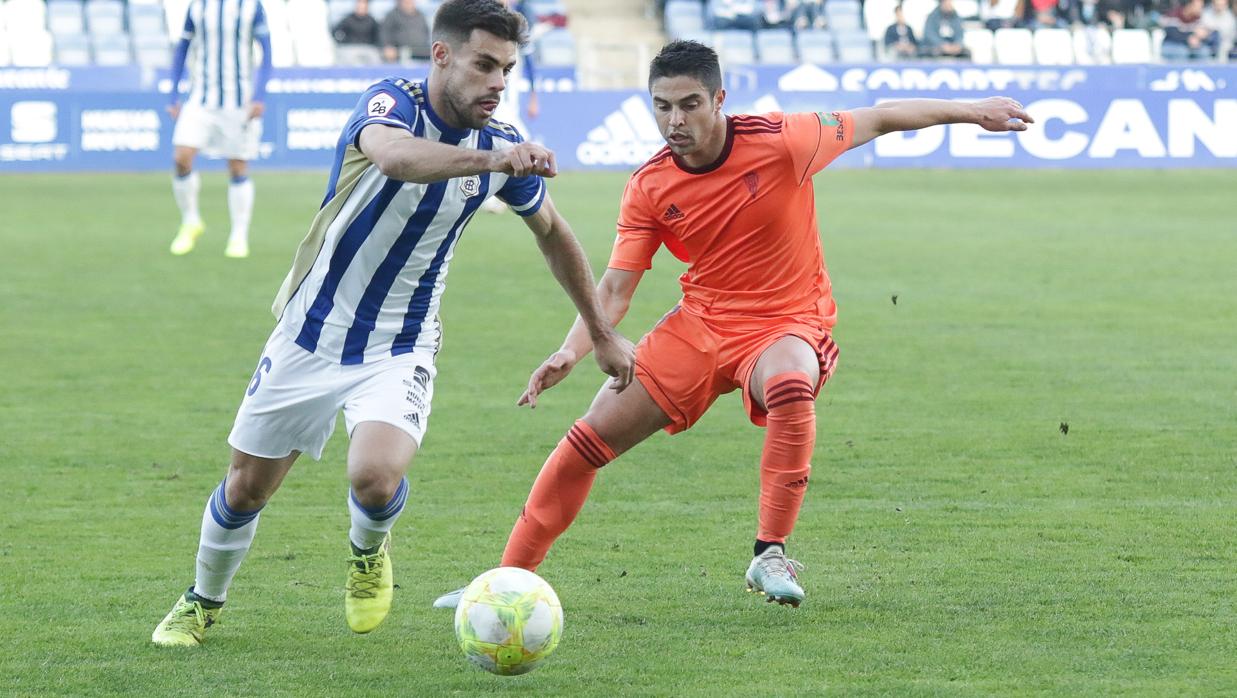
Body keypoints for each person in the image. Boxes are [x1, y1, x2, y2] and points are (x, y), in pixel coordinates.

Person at [433, 40, 1032, 610]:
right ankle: (506, 580)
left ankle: (769, 554)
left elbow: (880, 117)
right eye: (662, 106)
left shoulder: (785, 140)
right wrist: (571, 350)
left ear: (719, 100)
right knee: (586, 443)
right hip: (701, 326)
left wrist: (974, 111)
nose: (675, 120)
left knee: (792, 383)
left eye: (690, 104)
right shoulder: (649, 185)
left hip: (785, 321)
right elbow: (617, 286)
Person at [150, 0, 636, 648]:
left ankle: (366, 552)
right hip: (310, 331)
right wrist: (496, 163)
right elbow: (397, 160)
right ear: (441, 56)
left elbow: (555, 235)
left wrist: (600, 333)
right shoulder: (391, 104)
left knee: (374, 475)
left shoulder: (498, 140)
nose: (497, 82)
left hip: (400, 344)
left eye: (507, 69)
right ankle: (202, 600)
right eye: (483, 64)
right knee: (245, 489)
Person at [167, 0, 273, 259]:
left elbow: (267, 53)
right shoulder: (197, 6)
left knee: (237, 166)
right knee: (181, 156)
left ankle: (239, 234)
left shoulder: (251, 7)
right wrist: (172, 94)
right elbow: (182, 48)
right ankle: (191, 221)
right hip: (200, 99)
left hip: (239, 102)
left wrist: (259, 96)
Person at [332, 0, 382, 65]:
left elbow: (378, 34)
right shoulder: (348, 19)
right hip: (351, 47)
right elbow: (335, 31)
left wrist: (375, 44)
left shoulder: (371, 20)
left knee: (375, 58)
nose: (361, 7)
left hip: (367, 48)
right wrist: (342, 41)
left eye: (363, 5)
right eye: (359, 5)